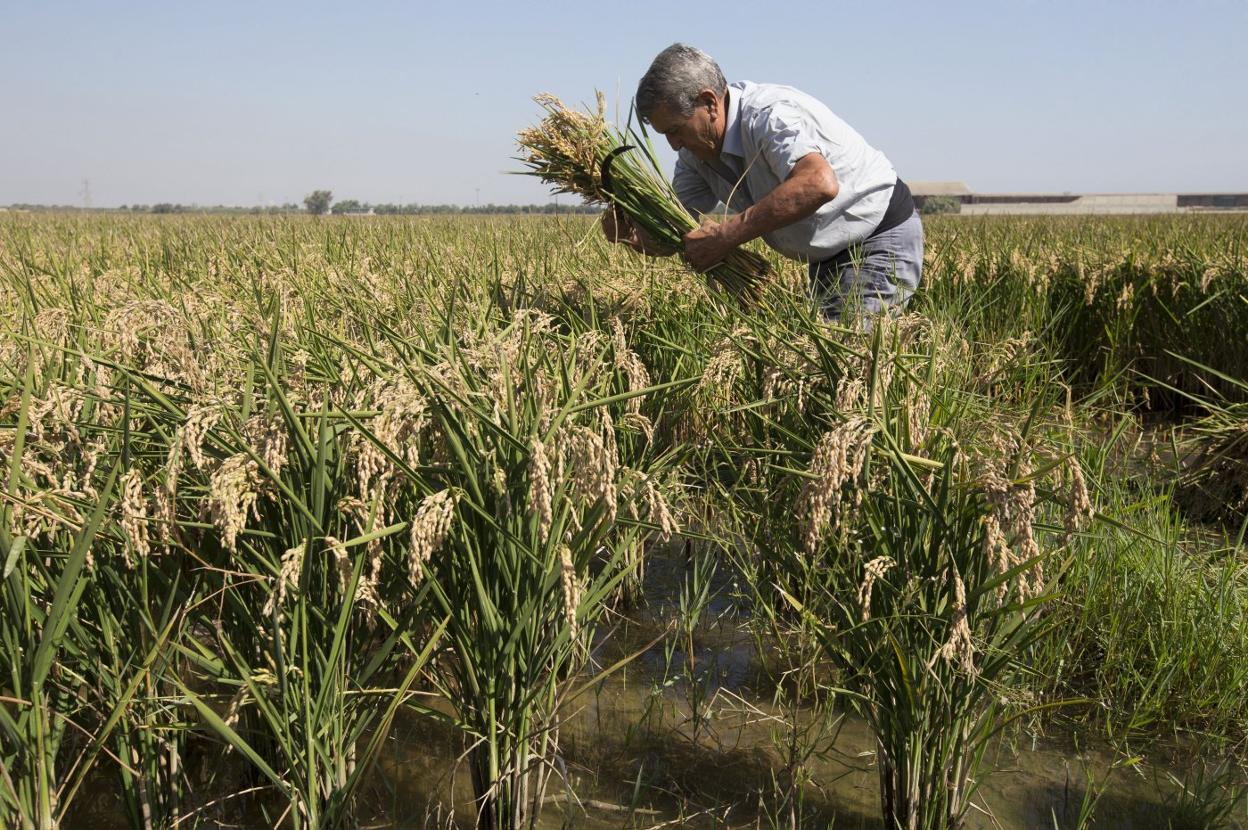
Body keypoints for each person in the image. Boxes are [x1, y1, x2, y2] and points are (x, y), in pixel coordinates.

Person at [603, 43, 923, 322]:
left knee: (848, 367)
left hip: (876, 238)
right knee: (827, 371)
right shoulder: (695, 156)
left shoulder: (769, 115)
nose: (673, 143)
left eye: (676, 129)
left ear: (710, 103)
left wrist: (727, 235)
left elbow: (817, 183)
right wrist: (631, 235)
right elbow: (677, 232)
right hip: (828, 257)